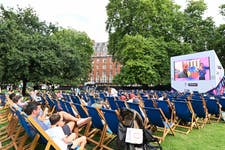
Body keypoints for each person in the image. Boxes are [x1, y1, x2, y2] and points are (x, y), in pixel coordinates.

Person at [24, 101, 91, 133]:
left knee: (61, 113)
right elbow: (47, 130)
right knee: (73, 122)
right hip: (52, 131)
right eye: (39, 109)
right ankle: (72, 143)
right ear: (34, 111)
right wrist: (58, 122)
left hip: (49, 127)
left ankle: (78, 120)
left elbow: (42, 123)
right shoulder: (34, 120)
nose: (40, 110)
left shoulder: (31, 118)